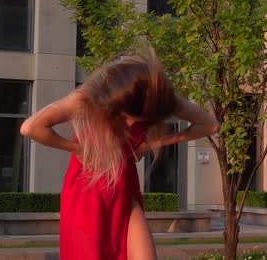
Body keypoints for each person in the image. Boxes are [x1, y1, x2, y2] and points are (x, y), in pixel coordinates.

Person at [19, 48, 220, 260]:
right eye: (125, 117)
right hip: (87, 190)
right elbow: (31, 127)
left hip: (124, 185)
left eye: (141, 121)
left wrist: (150, 145)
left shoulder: (159, 101)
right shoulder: (89, 98)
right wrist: (80, 150)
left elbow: (210, 125)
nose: (131, 125)